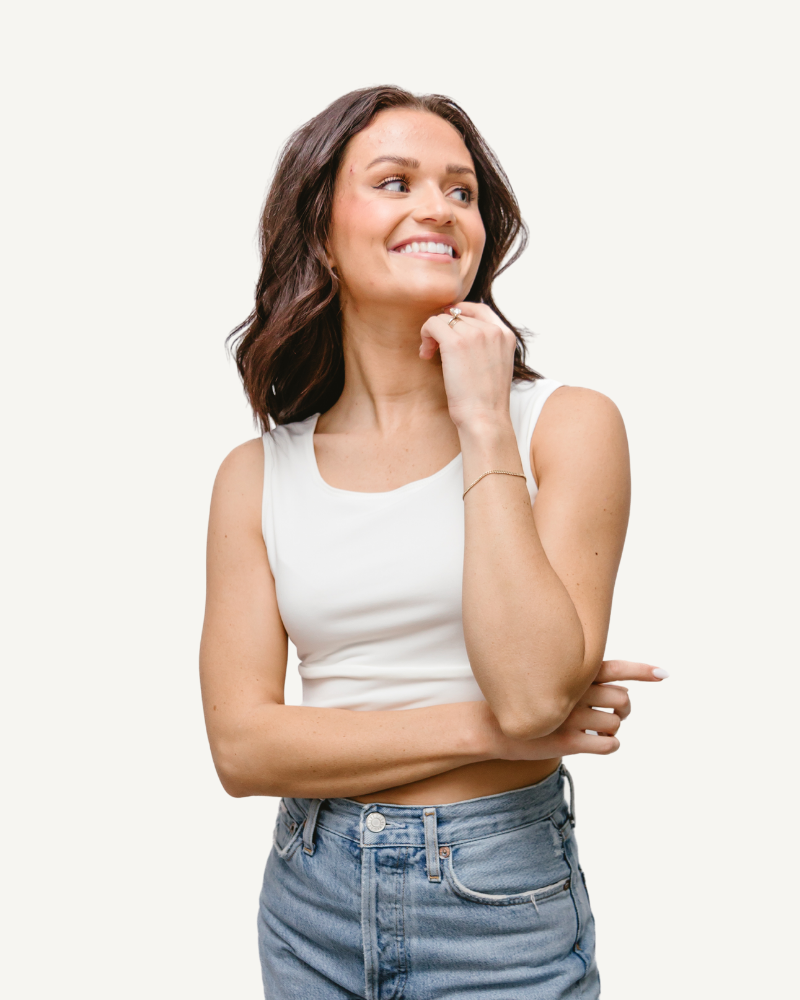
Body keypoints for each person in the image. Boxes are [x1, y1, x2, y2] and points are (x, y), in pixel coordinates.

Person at [200, 85, 666, 999]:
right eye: (396, 181)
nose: (439, 209)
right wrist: (495, 729)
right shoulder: (254, 476)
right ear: (322, 235)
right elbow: (242, 750)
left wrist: (483, 419)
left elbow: (534, 687)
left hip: (498, 895)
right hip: (310, 893)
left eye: (461, 192)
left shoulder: (562, 428)